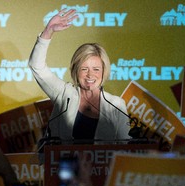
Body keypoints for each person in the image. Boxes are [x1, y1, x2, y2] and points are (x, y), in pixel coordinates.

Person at [29, 9, 131, 143]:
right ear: (76, 70)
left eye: (96, 69)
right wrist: (48, 31)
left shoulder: (116, 104)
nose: (90, 75)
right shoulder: (64, 94)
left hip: (103, 164)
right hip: (63, 163)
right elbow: (36, 66)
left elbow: (125, 146)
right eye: (84, 69)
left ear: (103, 71)